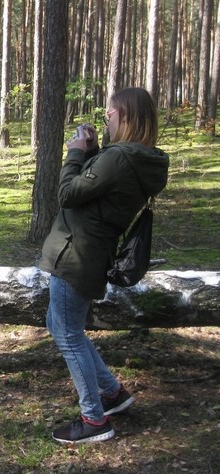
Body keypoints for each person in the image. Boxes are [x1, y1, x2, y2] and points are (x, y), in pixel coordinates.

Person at [39, 87, 169, 445]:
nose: (106, 120)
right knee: (61, 324)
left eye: (110, 115)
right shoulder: (135, 159)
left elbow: (67, 194)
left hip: (77, 252)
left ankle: (94, 420)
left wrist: (75, 154)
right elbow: (101, 191)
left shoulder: (121, 158)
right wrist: (94, 152)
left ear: (125, 117)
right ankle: (112, 394)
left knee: (68, 334)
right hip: (92, 250)